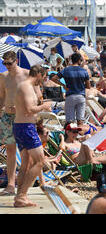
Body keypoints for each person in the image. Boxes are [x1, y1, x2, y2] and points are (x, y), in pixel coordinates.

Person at [13, 65, 53, 207]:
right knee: (40, 162)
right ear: (39, 74)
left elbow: (21, 108)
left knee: (27, 164)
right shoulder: (27, 87)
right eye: (43, 77)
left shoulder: (24, 86)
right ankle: (22, 195)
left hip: (22, 127)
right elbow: (30, 110)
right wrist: (45, 106)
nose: (42, 81)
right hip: (26, 128)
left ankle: (19, 197)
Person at [0, 51, 30, 196]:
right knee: (10, 150)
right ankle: (11, 185)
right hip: (7, 117)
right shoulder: (3, 76)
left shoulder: (26, 74)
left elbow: (36, 96)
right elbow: (1, 97)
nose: (7, 66)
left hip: (23, 116)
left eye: (9, 63)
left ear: (16, 61)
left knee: (25, 151)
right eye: (4, 64)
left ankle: (24, 184)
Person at [52, 53, 90, 127]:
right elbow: (88, 86)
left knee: (69, 121)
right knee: (80, 120)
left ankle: (69, 136)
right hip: (80, 96)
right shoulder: (84, 71)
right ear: (79, 61)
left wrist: (64, 85)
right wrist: (80, 85)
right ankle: (79, 136)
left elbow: (53, 78)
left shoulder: (65, 70)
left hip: (70, 96)